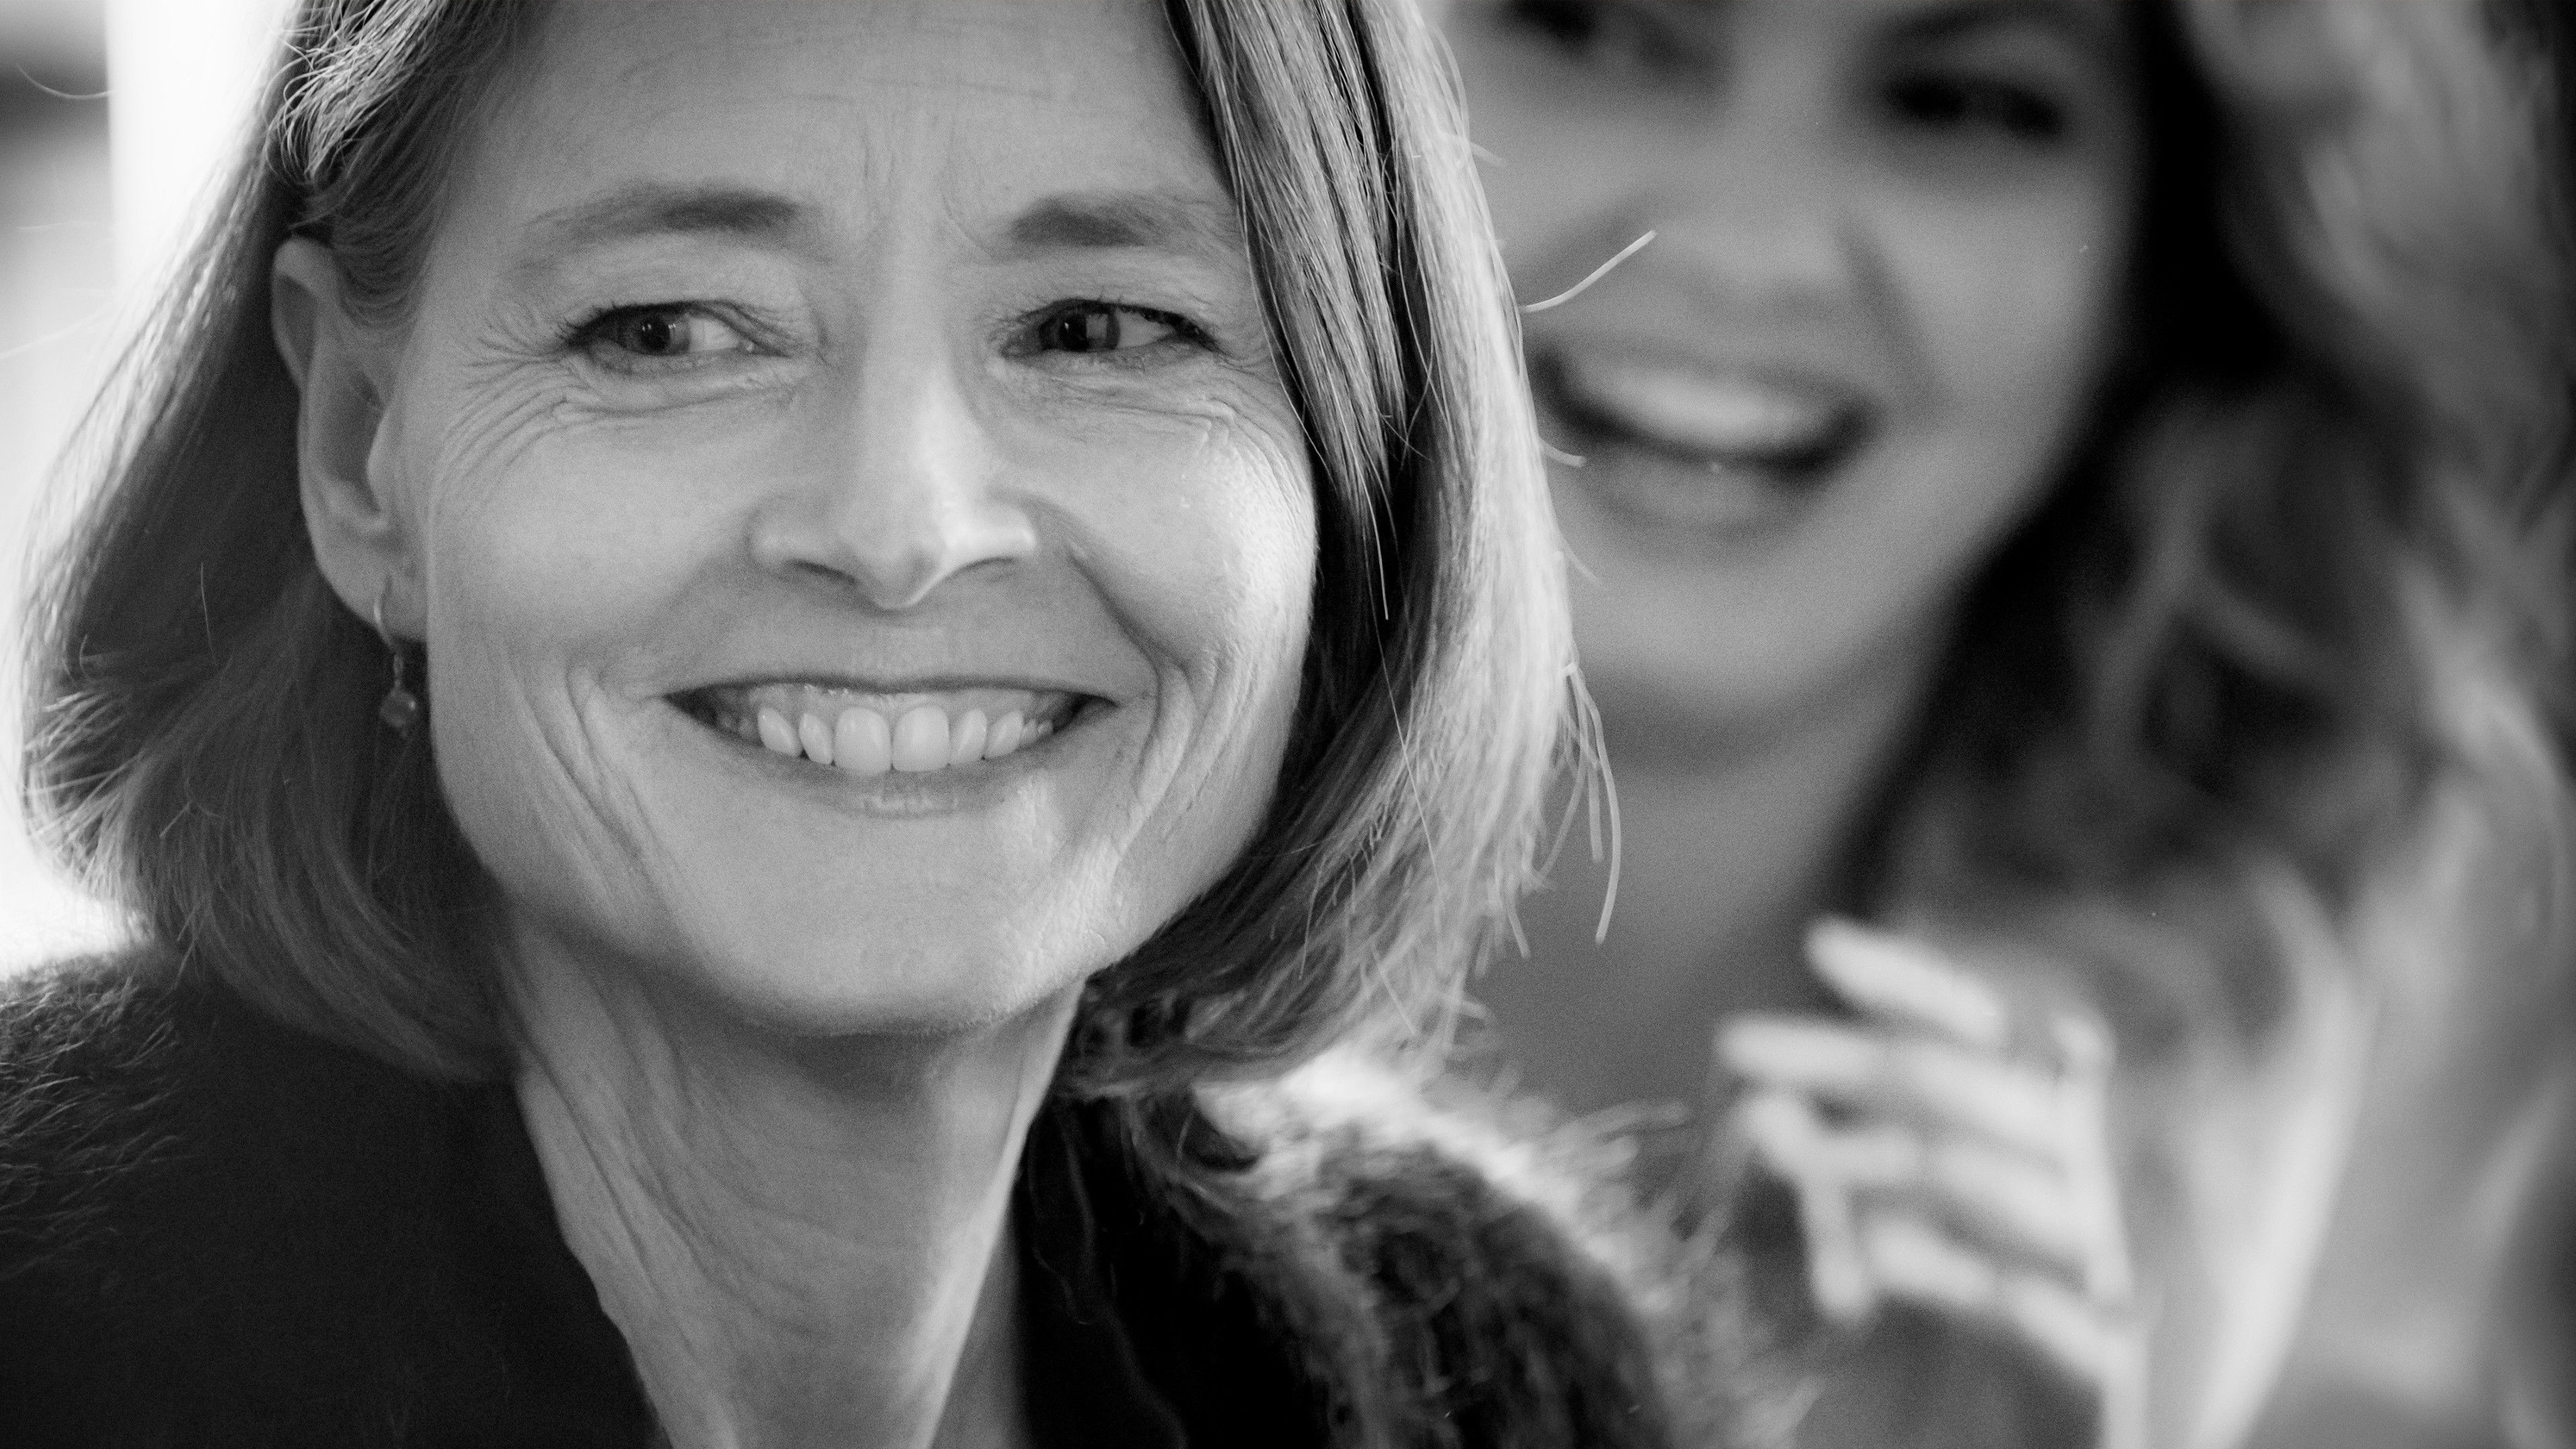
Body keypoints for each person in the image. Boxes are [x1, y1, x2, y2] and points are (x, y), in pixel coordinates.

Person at [0, 1, 1711, 1444]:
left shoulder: (1502, 1381)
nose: (901, 531)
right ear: (358, 455)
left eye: (1097, 330)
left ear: (1356, 470)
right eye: (671, 331)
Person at [1430, 0, 2572, 1445]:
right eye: (1600, 35)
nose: (1749, 252)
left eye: (1959, 105)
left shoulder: (2416, 1009)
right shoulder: (1130, 898)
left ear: (2163, 262)